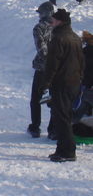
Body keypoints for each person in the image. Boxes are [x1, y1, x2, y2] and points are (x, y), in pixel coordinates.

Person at [41, 9, 85, 162]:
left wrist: (46, 83)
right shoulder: (75, 38)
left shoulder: (58, 38)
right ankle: (61, 149)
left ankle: (68, 152)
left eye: (53, 19)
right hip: (74, 83)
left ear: (60, 21)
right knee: (64, 116)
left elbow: (53, 64)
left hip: (62, 83)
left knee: (62, 118)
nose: (51, 21)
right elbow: (82, 61)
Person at [27, 1, 55, 138]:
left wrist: (47, 61)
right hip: (56, 69)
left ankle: (35, 126)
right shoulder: (58, 27)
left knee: (35, 99)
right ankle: (52, 129)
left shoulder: (39, 28)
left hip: (42, 68)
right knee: (54, 99)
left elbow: (41, 48)